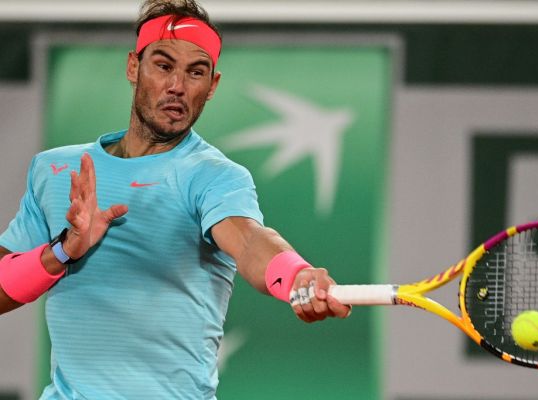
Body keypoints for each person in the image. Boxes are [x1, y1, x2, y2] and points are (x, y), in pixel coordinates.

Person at [0, 0, 351, 398]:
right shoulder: (55, 170)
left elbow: (251, 240)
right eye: (163, 66)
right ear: (134, 67)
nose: (178, 86)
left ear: (212, 86)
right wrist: (63, 251)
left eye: (195, 72)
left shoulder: (213, 176)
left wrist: (295, 276)